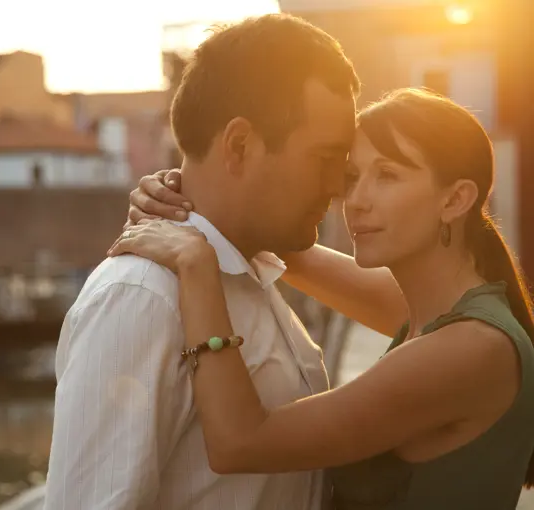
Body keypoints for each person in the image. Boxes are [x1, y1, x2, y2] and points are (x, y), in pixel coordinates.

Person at [111, 88, 534, 509]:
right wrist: (184, 195)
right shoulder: (436, 308)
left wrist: (196, 266)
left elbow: (240, 443)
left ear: (455, 199)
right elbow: (274, 238)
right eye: (352, 178)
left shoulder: (470, 349)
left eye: (387, 175)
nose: (356, 201)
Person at [43, 14, 360, 510]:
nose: (339, 186)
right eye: (325, 158)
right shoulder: (141, 296)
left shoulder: (249, 273)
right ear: (238, 145)